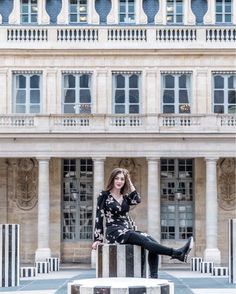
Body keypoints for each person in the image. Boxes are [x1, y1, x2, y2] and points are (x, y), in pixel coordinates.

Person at [92, 167, 194, 278]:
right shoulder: (104, 195)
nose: (119, 181)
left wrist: (129, 181)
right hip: (115, 231)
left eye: (122, 179)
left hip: (127, 229)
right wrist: (98, 239)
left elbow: (137, 198)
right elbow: (99, 216)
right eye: (117, 178)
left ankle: (154, 276)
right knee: (145, 241)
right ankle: (177, 253)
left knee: (152, 241)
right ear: (112, 179)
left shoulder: (125, 198)